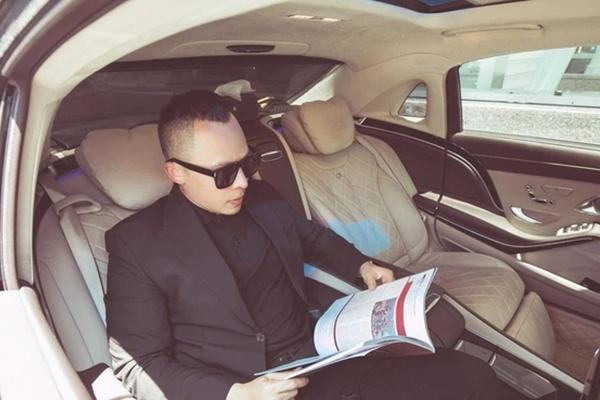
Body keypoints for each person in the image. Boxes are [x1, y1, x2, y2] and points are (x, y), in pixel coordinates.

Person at [105, 90, 503, 400]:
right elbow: (138, 366)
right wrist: (235, 394)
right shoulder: (136, 244)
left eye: (248, 162)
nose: (243, 182)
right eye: (224, 174)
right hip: (247, 386)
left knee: (470, 376)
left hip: (324, 361)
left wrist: (362, 266)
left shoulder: (261, 197)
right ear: (176, 172)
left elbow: (312, 237)